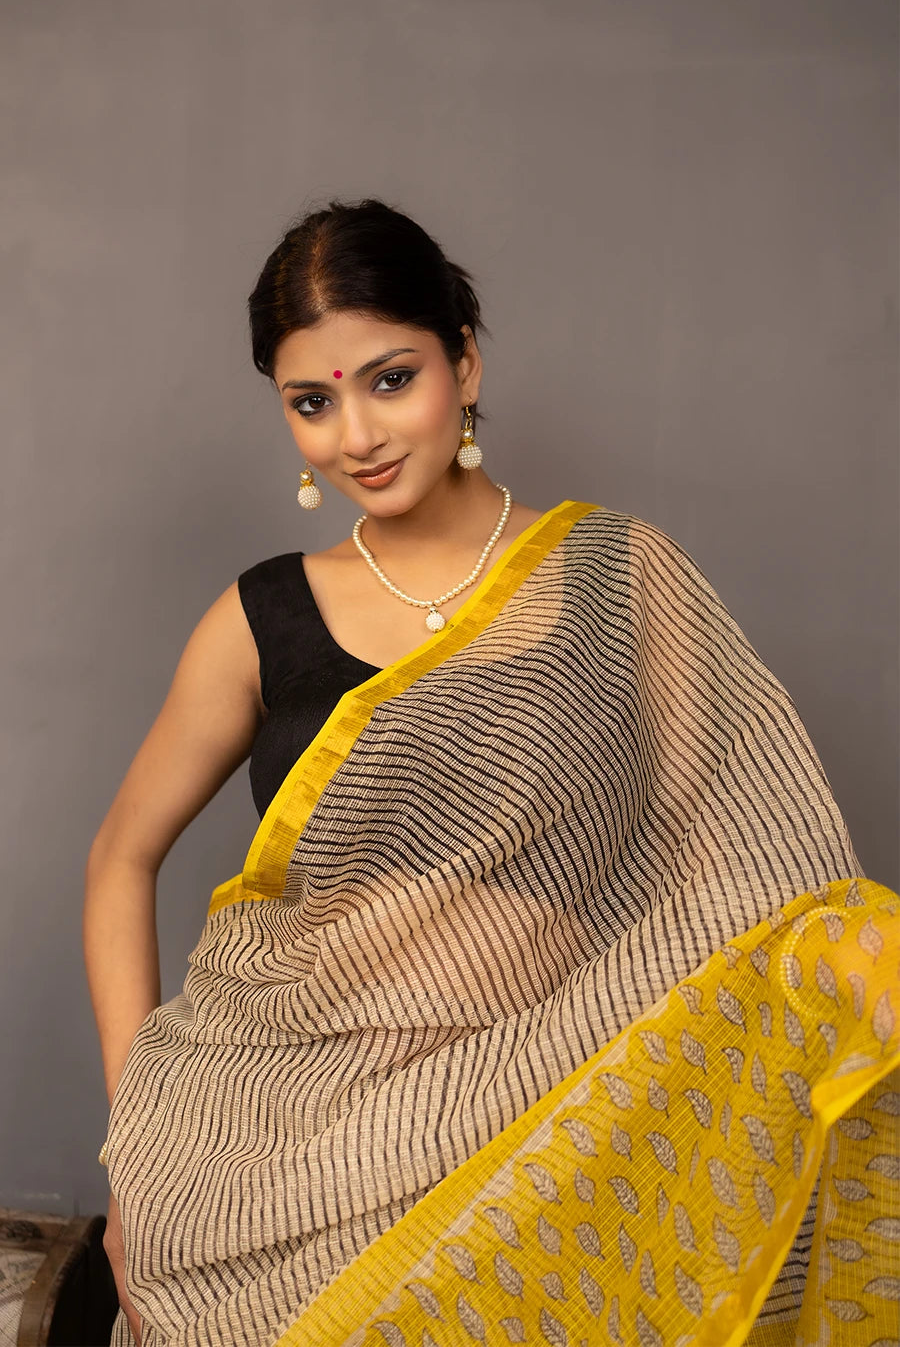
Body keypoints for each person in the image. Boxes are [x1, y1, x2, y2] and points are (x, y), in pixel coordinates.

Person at [84, 199, 899, 1347]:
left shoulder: (613, 577)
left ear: (464, 365)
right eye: (311, 404)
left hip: (531, 1082)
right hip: (275, 1112)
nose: (355, 435)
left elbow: (754, 863)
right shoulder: (261, 617)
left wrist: (854, 966)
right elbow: (121, 858)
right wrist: (142, 1140)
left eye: (390, 379)